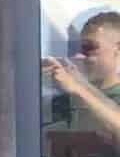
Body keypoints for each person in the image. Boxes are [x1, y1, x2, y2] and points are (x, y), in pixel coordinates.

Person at [45, 10, 120, 142]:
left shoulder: (80, 93)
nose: (80, 55)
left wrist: (78, 88)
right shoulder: (68, 100)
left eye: (90, 47)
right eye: (78, 48)